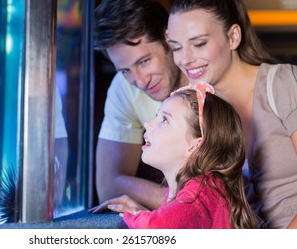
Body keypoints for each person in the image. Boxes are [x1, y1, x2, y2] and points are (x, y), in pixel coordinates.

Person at [167, 0, 297, 228]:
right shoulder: (204, 111)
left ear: (233, 37)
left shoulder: (283, 83)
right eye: (176, 47)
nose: (184, 59)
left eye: (199, 43)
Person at [90, 82, 258, 229]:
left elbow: (155, 228)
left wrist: (133, 217)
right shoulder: (199, 188)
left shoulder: (200, 194)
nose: (148, 124)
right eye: (157, 116)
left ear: (195, 145)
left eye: (164, 120)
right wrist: (141, 212)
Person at [93, 0, 188, 210]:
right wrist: (181, 204)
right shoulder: (123, 87)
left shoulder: (207, 72)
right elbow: (108, 185)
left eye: (144, 61)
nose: (140, 80)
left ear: (168, 39)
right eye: (125, 69)